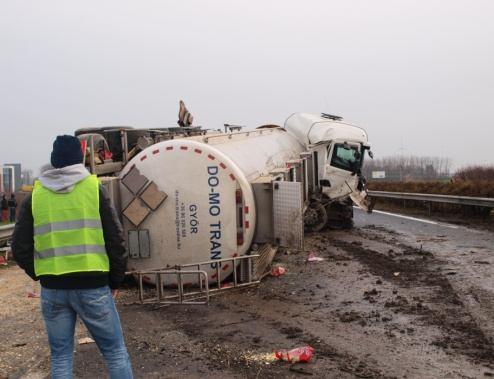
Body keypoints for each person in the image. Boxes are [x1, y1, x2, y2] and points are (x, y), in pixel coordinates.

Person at [12, 135, 133, 379]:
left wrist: (39, 273)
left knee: (60, 357)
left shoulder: (37, 195)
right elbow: (115, 238)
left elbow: (19, 246)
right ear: (79, 160)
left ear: (54, 161)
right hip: (93, 286)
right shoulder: (92, 188)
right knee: (115, 353)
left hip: (53, 288)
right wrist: (116, 280)